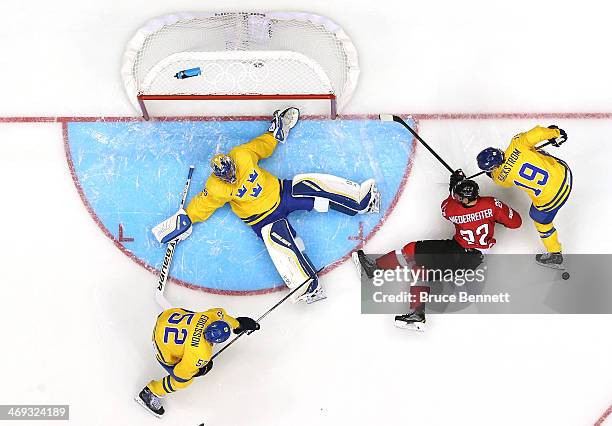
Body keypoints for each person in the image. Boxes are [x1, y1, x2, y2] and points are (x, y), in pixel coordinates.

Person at [152, 108, 380, 304]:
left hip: (281, 192)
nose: (231, 178)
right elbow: (203, 205)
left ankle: (361, 200)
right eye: (226, 177)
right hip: (263, 219)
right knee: (282, 244)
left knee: (311, 186)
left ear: (232, 163)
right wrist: (187, 219)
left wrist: (275, 132)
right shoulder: (215, 188)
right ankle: (307, 287)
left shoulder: (241, 155)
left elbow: (262, 146)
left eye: (231, 172)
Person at [353, 170, 521, 331]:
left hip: (458, 252)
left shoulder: (453, 210)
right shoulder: (492, 204)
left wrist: (453, 184)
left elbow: (448, 204)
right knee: (420, 268)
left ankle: (375, 271)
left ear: (462, 198)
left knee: (411, 253)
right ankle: (415, 315)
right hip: (471, 257)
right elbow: (516, 223)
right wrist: (498, 218)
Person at [135, 307, 260, 417]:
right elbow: (180, 373)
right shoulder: (201, 353)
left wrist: (238, 324)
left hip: (165, 318)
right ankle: (151, 392)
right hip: (160, 345)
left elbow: (223, 316)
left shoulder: (213, 315)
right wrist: (199, 370)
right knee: (184, 381)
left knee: (195, 317)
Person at [476, 125, 570, 268]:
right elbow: (538, 133)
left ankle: (555, 254)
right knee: (532, 151)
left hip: (551, 200)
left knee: (540, 220)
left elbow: (495, 176)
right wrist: (554, 133)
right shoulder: (516, 144)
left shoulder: (500, 177)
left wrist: (491, 173)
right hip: (564, 176)